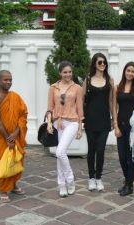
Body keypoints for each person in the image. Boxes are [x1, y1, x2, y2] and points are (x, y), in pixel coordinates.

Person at [0, 70, 28, 203]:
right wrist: (8, 138)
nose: (9, 82)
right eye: (5, 80)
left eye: (10, 79)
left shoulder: (15, 97)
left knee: (16, 160)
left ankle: (13, 184)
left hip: (14, 135)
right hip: (2, 136)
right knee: (2, 161)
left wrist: (16, 133)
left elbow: (23, 115)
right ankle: (3, 189)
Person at [47, 61, 83, 197]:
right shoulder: (53, 88)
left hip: (72, 122)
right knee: (59, 154)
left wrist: (80, 128)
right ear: (60, 73)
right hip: (58, 123)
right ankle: (62, 185)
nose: (68, 74)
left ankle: (70, 179)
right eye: (65, 72)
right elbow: (50, 108)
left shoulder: (77, 88)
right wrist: (50, 123)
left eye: (70, 72)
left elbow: (80, 109)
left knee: (60, 151)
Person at [113, 62, 134, 196]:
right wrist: (115, 126)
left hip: (133, 127)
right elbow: (114, 108)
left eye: (133, 71)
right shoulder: (118, 88)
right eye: (128, 70)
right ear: (124, 71)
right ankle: (127, 180)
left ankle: (129, 184)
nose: (130, 73)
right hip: (121, 126)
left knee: (131, 157)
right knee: (122, 157)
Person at [83, 53, 115, 192]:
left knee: (101, 150)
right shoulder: (88, 80)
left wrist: (114, 119)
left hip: (104, 120)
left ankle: (98, 178)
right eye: (100, 62)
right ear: (94, 64)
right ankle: (91, 178)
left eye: (104, 62)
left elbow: (112, 101)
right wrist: (80, 118)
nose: (102, 65)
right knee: (91, 150)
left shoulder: (110, 80)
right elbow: (81, 99)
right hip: (90, 120)